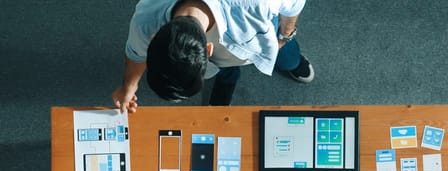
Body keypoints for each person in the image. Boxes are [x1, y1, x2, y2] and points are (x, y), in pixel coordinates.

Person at [112, 0, 313, 113]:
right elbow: (136, 53)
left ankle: (293, 63)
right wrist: (128, 87)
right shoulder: (145, 21)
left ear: (208, 50)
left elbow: (294, 4)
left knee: (288, 58)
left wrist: (285, 36)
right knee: (225, 70)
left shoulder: (257, 4)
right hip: (224, 59)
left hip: (265, 42)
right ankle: (226, 82)